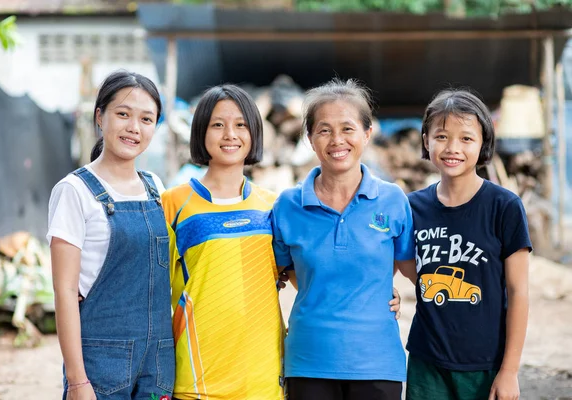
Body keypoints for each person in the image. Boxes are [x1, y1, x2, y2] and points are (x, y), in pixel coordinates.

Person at [271, 78, 415, 400]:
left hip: (377, 362)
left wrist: (379, 287)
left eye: (348, 128)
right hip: (309, 361)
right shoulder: (287, 205)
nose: (337, 140)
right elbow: (286, 273)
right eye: (324, 130)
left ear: (367, 133)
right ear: (309, 138)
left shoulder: (393, 200)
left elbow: (412, 270)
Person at [48, 70, 174, 400]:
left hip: (158, 360)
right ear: (100, 117)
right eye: (123, 114)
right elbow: (64, 293)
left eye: (147, 119)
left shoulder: (156, 188)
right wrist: (77, 381)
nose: (134, 127)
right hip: (100, 363)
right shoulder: (74, 191)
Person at [403, 89, 532, 400]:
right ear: (426, 140)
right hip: (427, 361)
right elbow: (407, 268)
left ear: (483, 142)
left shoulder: (505, 206)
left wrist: (510, 371)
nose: (452, 148)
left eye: (466, 138)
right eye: (442, 136)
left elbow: (518, 292)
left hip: (486, 363)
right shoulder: (412, 207)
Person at [161, 84, 286, 400]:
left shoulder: (274, 206)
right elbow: (150, 288)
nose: (230, 134)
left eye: (241, 124)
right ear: (201, 132)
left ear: (254, 133)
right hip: (198, 376)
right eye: (218, 124)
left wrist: (381, 292)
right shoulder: (173, 203)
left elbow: (306, 273)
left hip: (264, 374)